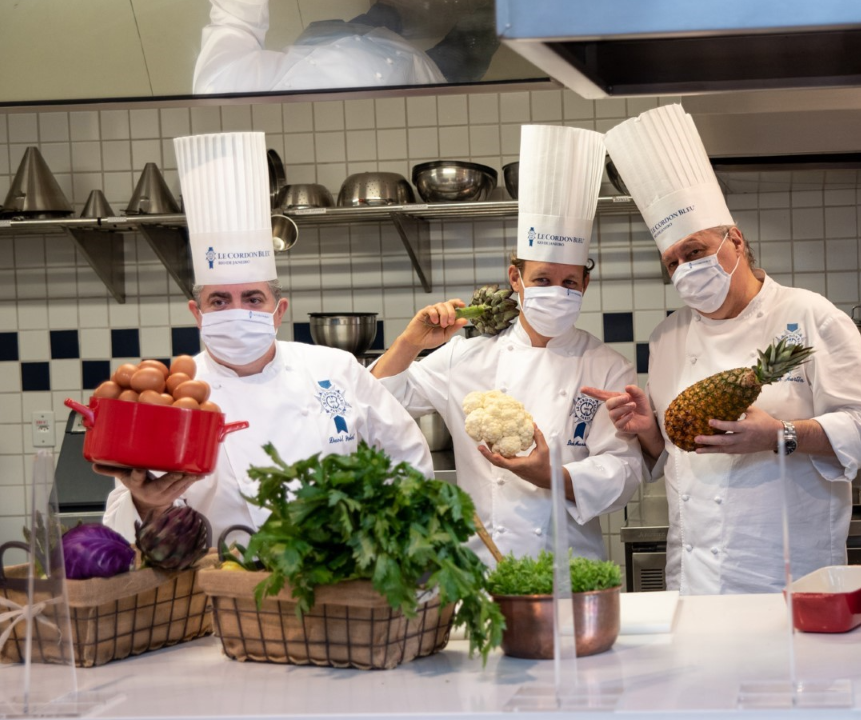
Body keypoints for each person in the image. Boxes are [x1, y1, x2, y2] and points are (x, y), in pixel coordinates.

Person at [590, 104, 861, 595]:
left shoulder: (811, 316)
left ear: (736, 240)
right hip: (695, 577)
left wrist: (780, 435)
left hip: (790, 574)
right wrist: (649, 431)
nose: (685, 268)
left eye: (695, 251)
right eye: (673, 262)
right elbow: (674, 454)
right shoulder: (667, 338)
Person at [101, 132, 432, 542]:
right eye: (220, 301)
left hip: (336, 587)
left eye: (253, 298)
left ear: (279, 311)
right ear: (197, 314)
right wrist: (147, 504)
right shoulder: (171, 399)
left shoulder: (335, 369)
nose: (238, 311)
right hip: (219, 591)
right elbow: (119, 531)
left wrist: (382, 539)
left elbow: (408, 457)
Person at [372, 125, 643, 563]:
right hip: (483, 568)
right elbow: (381, 400)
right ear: (516, 279)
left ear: (585, 284)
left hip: (569, 567)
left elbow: (625, 470)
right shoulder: (465, 356)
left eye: (569, 282)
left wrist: (551, 474)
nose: (557, 291)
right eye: (542, 279)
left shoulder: (607, 366)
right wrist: (410, 340)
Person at [192, 0, 499, 94]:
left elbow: (235, 20)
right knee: (473, 44)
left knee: (385, 13)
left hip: (337, 37)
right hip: (422, 77)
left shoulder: (219, 88)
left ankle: (392, 11)